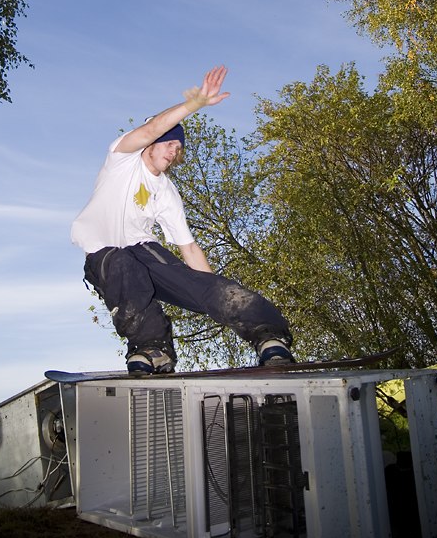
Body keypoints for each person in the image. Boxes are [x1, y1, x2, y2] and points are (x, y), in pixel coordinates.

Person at [71, 65, 294, 375]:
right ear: (151, 143)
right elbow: (151, 129)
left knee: (199, 283)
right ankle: (152, 349)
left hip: (144, 250)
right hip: (105, 255)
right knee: (122, 263)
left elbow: (189, 249)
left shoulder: (166, 191)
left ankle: (269, 337)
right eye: (168, 143)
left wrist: (212, 296)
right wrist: (195, 104)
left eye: (178, 148)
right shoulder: (122, 159)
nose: (173, 151)